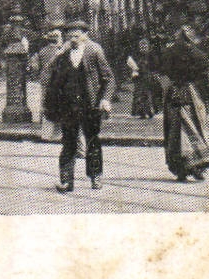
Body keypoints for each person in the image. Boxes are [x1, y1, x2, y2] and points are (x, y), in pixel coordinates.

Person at [39, 20, 115, 192]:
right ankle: (66, 181)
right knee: (69, 143)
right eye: (70, 36)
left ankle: (96, 176)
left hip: (91, 105)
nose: (73, 39)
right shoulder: (63, 54)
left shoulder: (94, 51)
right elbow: (49, 75)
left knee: (92, 141)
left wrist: (105, 99)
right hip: (68, 106)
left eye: (77, 35)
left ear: (85, 35)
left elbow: (109, 79)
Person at [160, 25, 209, 183]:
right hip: (193, 95)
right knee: (197, 127)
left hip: (174, 93)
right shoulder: (199, 55)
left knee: (175, 131)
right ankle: (199, 165)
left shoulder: (168, 53)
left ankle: (180, 168)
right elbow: (207, 79)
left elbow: (163, 74)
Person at [127, 37, 161, 119]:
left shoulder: (151, 55)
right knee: (139, 95)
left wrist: (151, 69)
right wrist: (134, 68)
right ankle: (141, 112)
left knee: (149, 95)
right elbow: (131, 64)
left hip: (149, 77)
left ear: (148, 46)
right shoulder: (136, 55)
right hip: (139, 77)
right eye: (141, 47)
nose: (143, 48)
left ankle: (150, 112)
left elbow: (156, 65)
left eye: (145, 46)